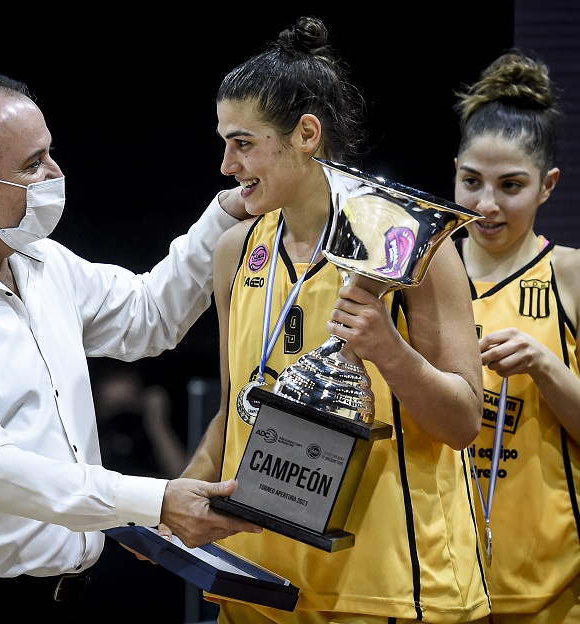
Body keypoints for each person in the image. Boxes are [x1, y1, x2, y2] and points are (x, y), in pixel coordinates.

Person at [0, 73, 263, 623]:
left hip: (63, 599)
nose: (55, 174)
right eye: (32, 164)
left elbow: (148, 317)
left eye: (51, 154)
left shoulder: (38, 259)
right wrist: (152, 500)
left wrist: (229, 211)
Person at [178, 16, 492, 622]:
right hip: (260, 583)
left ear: (306, 134)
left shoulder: (407, 243)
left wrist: (390, 351)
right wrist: (179, 497)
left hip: (389, 589)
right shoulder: (235, 251)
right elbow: (234, 405)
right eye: (224, 143)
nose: (225, 165)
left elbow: (463, 422)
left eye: (242, 143)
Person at [452, 49, 580, 622]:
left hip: (549, 586)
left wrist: (547, 366)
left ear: (548, 186)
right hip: (439, 580)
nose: (486, 205)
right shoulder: (420, 275)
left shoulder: (571, 276)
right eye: (471, 181)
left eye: (511, 186)